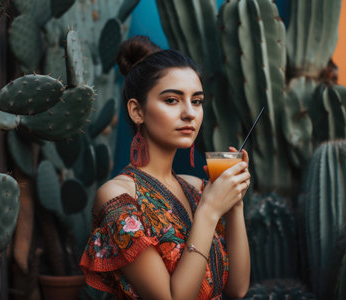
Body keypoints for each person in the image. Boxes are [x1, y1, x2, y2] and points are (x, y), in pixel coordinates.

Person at [80, 35, 251, 300]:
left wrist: (234, 203)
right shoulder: (118, 197)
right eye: (172, 100)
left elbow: (238, 289)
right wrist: (209, 211)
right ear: (137, 111)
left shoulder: (196, 187)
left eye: (196, 101)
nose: (190, 113)